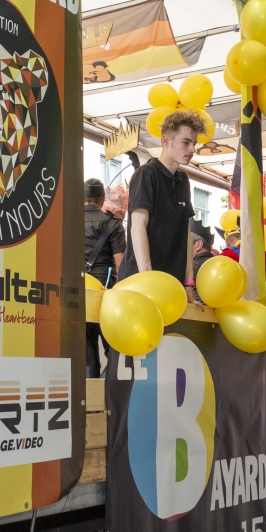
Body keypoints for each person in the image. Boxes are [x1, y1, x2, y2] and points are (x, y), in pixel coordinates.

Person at [118, 109, 203, 299]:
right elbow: (138, 226)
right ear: (166, 140)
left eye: (194, 143)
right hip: (139, 283)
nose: (192, 149)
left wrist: (189, 283)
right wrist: (148, 278)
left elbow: (186, 233)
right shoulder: (146, 174)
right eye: (186, 142)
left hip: (171, 285)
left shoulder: (183, 180)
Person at [84, 179, 126, 379]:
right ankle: (111, 392)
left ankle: (89, 393)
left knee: (87, 349)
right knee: (113, 347)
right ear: (102, 200)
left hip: (78, 291)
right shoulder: (113, 223)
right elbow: (120, 264)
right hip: (105, 291)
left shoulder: (68, 220)